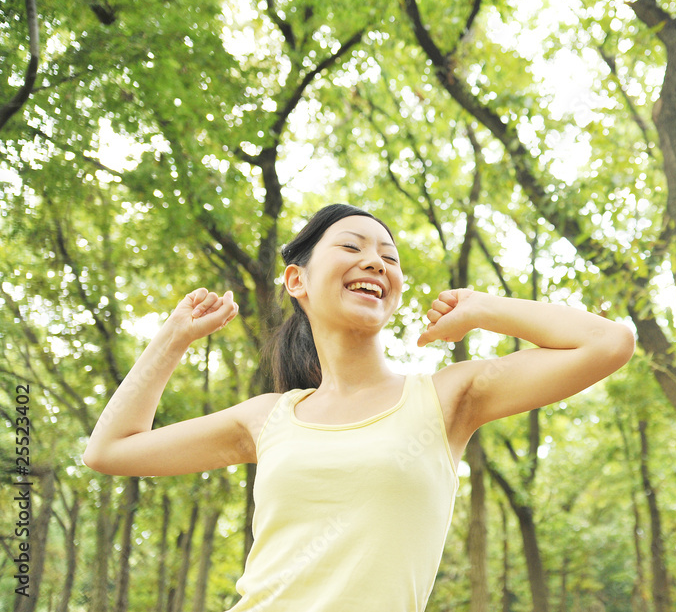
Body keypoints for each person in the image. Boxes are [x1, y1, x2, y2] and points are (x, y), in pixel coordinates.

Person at [83, 203, 635, 612]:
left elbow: (608, 344)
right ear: (297, 280)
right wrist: (172, 339)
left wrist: (483, 308)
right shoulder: (266, 417)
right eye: (352, 247)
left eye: (388, 257)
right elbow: (109, 451)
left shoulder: (446, 399)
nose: (374, 262)